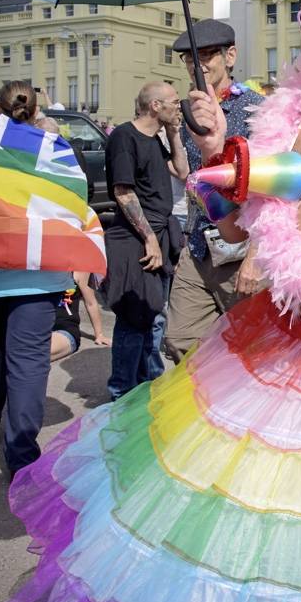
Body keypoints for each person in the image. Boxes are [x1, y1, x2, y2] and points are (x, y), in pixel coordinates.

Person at [0, 0, 301, 602]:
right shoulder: (278, 121)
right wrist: (213, 155)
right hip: (283, 337)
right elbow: (237, 225)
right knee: (266, 520)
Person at [0, 81, 104, 476]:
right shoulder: (55, 152)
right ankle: (21, 451)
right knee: (28, 364)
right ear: (36, 106)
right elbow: (78, 199)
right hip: (38, 276)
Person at [162, 19, 265, 365]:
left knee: (254, 346)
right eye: (190, 58)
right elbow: (191, 178)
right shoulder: (187, 110)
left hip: (244, 245)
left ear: (230, 56)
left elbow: (271, 192)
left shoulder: (256, 109)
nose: (198, 64)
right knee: (179, 338)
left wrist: (255, 257)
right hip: (200, 244)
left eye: (207, 55)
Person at [103, 82, 188, 400]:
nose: (178, 107)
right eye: (173, 102)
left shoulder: (156, 139)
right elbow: (123, 191)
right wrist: (149, 238)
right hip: (134, 237)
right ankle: (121, 393)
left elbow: (182, 171)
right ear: (155, 105)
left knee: (152, 315)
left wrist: (176, 133)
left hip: (159, 234)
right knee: (133, 317)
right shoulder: (125, 137)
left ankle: (145, 386)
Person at [50, 272, 110, 362]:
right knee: (26, 354)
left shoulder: (79, 270)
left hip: (63, 329)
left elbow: (91, 303)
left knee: (34, 352)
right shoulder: (38, 267)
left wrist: (99, 334)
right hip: (36, 327)